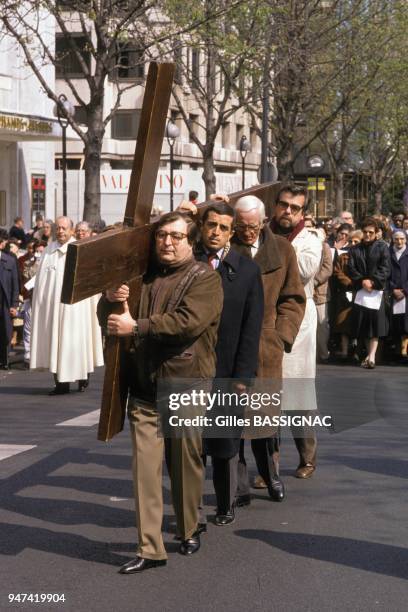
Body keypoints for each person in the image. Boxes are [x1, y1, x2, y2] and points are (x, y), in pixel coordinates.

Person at [98, 211, 223, 573]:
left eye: (176, 236)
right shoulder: (143, 277)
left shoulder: (206, 278)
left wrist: (135, 325)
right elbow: (110, 320)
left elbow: (188, 323)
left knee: (185, 464)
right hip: (143, 387)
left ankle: (187, 528)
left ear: (191, 241)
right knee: (145, 472)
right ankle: (150, 549)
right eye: (162, 236)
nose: (167, 242)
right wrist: (110, 298)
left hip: (185, 384)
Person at [231, 194, 306, 499]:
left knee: (264, 419)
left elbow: (293, 298)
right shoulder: (224, 248)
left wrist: (281, 335)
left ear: (263, 221)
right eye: (240, 225)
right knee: (231, 420)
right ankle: (237, 485)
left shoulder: (283, 249)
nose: (246, 232)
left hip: (266, 344)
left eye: (252, 226)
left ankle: (269, 473)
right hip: (231, 344)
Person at [195, 202, 264, 524]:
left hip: (228, 370)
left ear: (231, 232)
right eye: (211, 225)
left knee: (224, 445)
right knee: (189, 444)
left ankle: (225, 504)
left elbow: (252, 329)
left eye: (223, 227)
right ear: (201, 226)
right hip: (190, 371)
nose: (216, 232)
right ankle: (189, 507)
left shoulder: (247, 270)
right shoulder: (186, 263)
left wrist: (243, 377)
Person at [270, 184, 322, 479]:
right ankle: (269, 465)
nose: (287, 212)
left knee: (297, 394)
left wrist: (272, 247)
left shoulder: (310, 239)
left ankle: (308, 458)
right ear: (275, 205)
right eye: (283, 205)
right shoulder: (263, 232)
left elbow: (303, 269)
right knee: (266, 396)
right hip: (265, 319)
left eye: (295, 208)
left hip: (298, 323)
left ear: (304, 212)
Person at [30, 216, 104, 393]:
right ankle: (60, 383)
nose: (60, 231)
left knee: (73, 343)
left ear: (71, 230)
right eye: (58, 228)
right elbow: (41, 281)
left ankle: (82, 375)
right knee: (56, 343)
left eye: (64, 228)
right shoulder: (49, 250)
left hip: (74, 308)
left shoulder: (78, 249)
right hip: (52, 308)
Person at [348, 217, 391, 369]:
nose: (367, 235)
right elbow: (351, 268)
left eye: (370, 232)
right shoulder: (354, 249)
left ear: (376, 233)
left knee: (376, 325)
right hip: (361, 291)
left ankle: (372, 356)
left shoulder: (382, 247)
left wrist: (372, 282)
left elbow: (385, 268)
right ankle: (369, 355)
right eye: (365, 232)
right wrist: (362, 281)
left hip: (377, 291)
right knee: (365, 325)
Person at [330, 230, 363, 361]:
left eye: (356, 241)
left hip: (361, 293)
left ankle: (357, 352)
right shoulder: (343, 257)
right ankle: (344, 351)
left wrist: (358, 283)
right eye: (352, 241)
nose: (353, 244)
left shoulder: (364, 257)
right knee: (343, 324)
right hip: (345, 293)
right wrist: (349, 283)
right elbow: (337, 272)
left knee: (359, 324)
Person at [0, 229, 19, 369]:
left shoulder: (10, 260)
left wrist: (14, 305)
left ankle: (4, 360)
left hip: (4, 304)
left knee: (6, 333)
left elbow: (15, 284)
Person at [313, 228, 333, 363]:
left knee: (321, 323)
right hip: (305, 292)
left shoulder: (324, 247)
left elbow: (327, 269)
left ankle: (323, 352)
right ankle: (312, 355)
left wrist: (314, 281)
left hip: (321, 292)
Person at [389, 230, 408, 361]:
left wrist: (405, 290)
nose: (399, 241)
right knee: (395, 322)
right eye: (396, 239)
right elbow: (385, 273)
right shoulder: (388, 253)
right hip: (392, 294)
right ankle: (395, 350)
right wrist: (393, 289)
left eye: (402, 239)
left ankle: (404, 350)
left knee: (406, 324)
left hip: (406, 294)